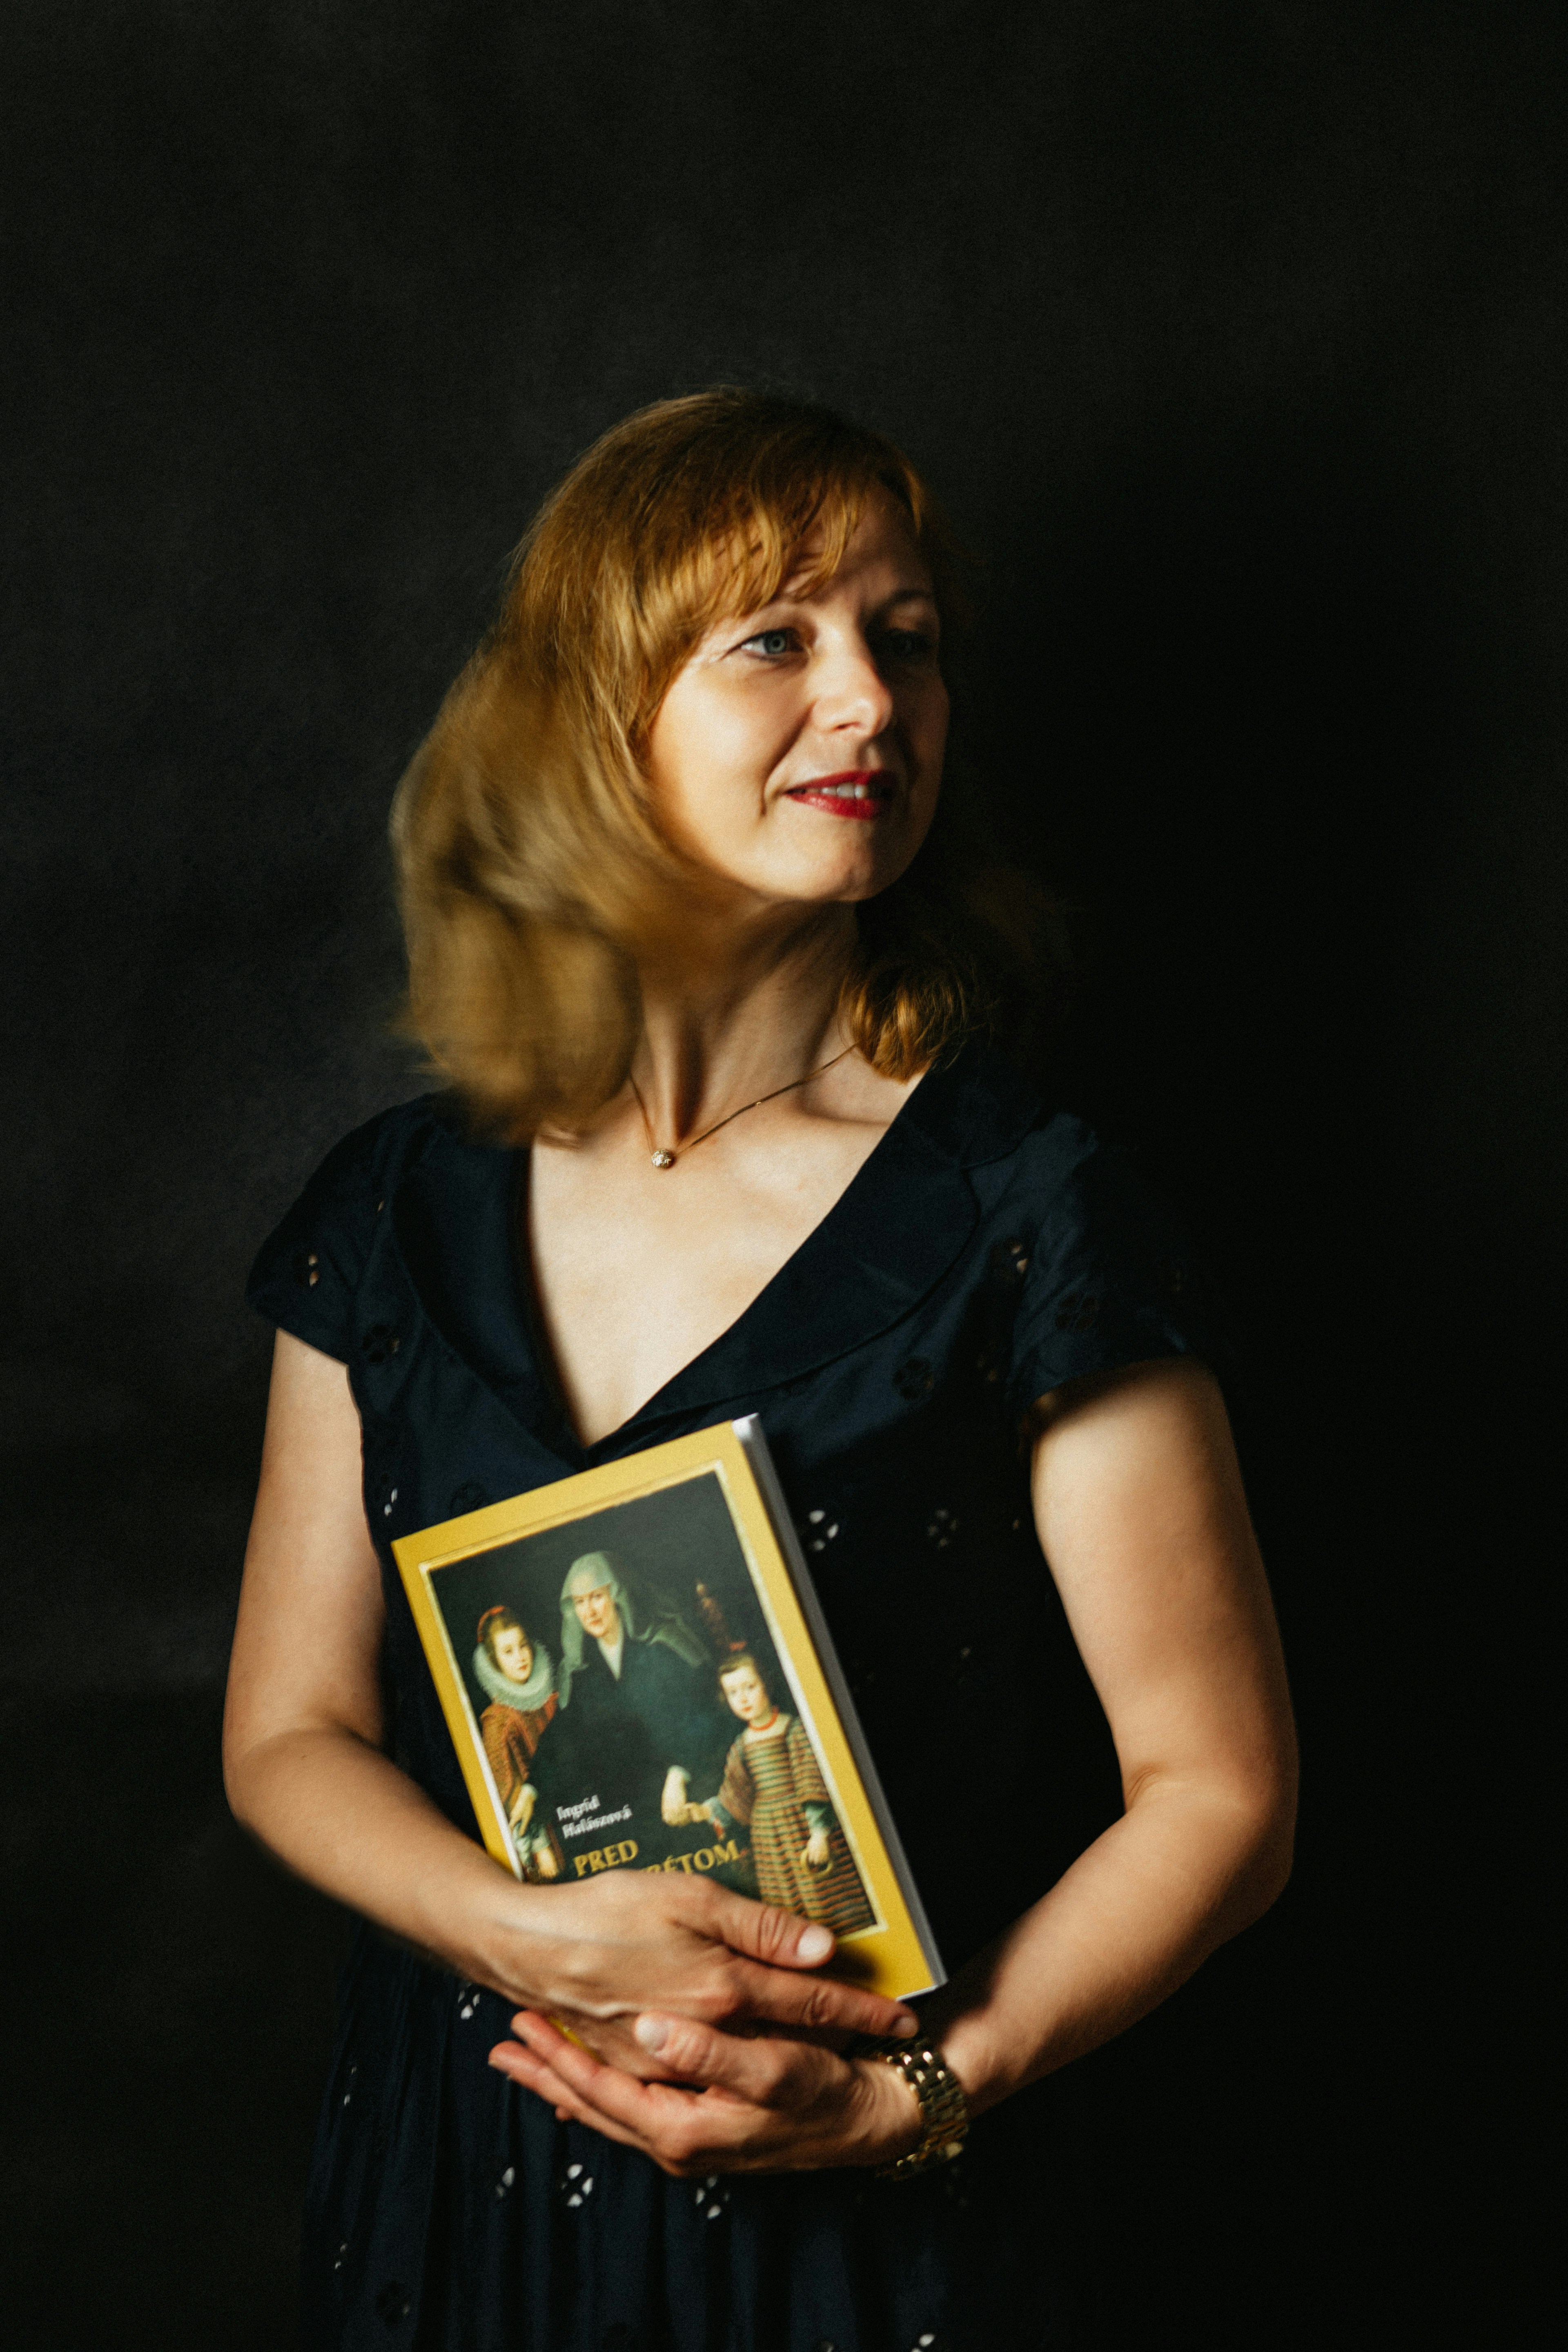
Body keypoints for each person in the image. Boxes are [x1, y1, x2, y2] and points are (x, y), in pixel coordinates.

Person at [224, 388, 1297, 2350]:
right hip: (459, 2191)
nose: (873, 701)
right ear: (599, 716)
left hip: (875, 2225)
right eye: (777, 640)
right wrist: (519, 1933)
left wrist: (919, 2097)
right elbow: (287, 1729)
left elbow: (1218, 1790)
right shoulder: (389, 1210)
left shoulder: (1033, 1207)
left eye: (908, 637)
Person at [529, 1552, 734, 1864]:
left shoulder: (661, 1647)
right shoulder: (583, 1674)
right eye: (580, 1602)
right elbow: (562, 1734)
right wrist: (532, 1788)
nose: (590, 1611)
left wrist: (679, 1772)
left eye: (597, 1597)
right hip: (626, 1816)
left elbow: (704, 1715)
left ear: (617, 1595)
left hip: (681, 1798)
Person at [684, 1653, 875, 1936]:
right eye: (733, 1693)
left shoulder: (793, 1730)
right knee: (788, 1904)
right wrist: (703, 1811)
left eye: (750, 1687)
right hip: (769, 1838)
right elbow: (735, 1794)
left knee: (824, 1894)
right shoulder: (741, 1746)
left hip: (804, 1825)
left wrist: (819, 1834)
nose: (743, 1698)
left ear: (767, 1684)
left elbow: (812, 1781)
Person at [472, 1606, 561, 1879]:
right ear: (494, 1661)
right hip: (545, 1832)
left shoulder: (552, 1698)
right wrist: (541, 1848)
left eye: (523, 1646)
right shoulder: (498, 1722)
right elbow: (510, 1792)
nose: (520, 1657)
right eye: (508, 1652)